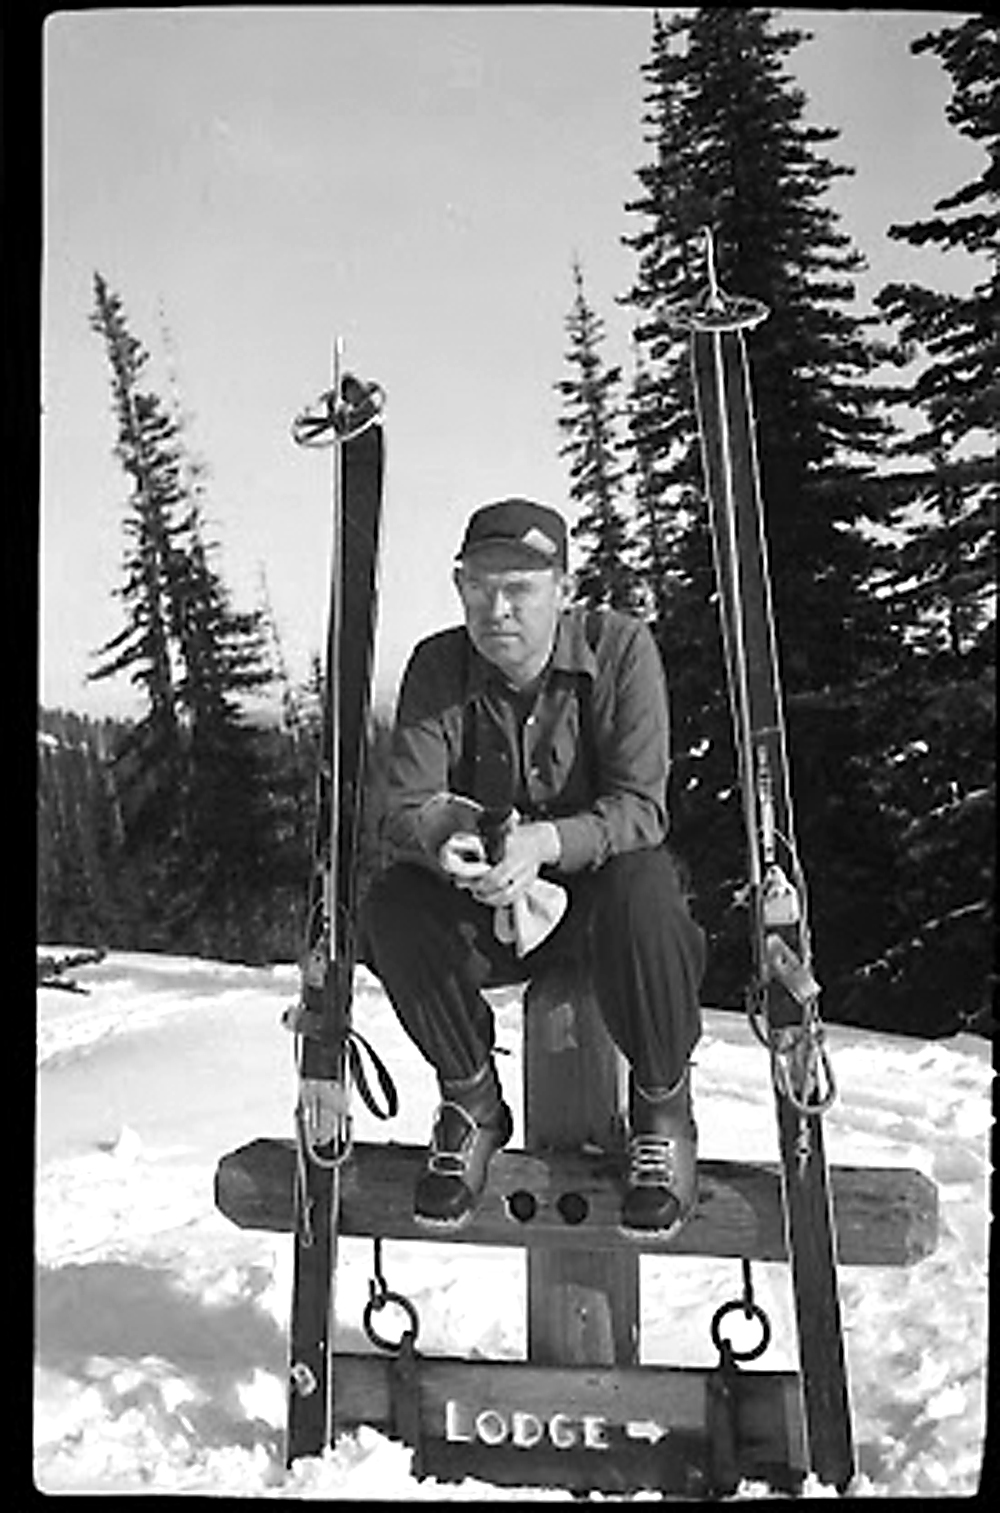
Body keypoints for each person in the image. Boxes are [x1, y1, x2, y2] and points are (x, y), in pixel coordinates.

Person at [360, 497, 706, 1237]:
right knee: (393, 904)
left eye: (520, 586)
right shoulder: (436, 665)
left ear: (562, 587)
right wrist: (443, 834)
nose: (499, 607)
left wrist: (543, 843)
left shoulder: (620, 650)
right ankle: (471, 1100)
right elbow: (405, 807)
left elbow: (641, 809)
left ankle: (662, 1104)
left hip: (604, 903)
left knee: (649, 884)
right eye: (481, 585)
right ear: (459, 588)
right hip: (491, 907)